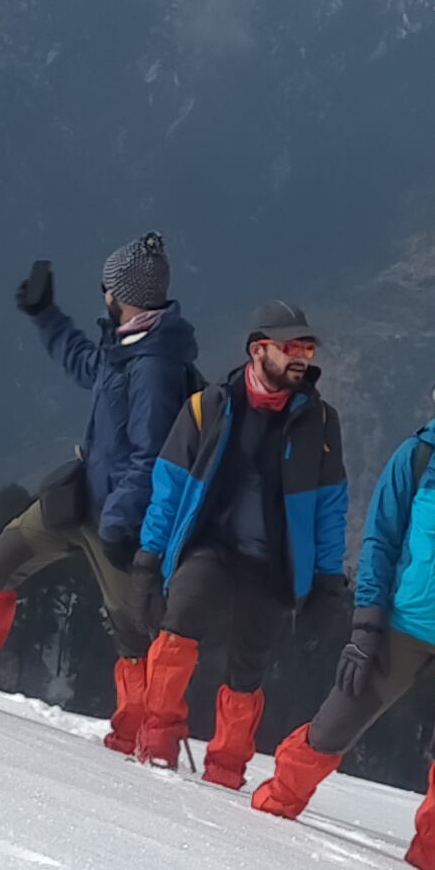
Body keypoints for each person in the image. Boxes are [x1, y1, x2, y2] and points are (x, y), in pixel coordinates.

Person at [250, 342, 435, 870]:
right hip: (401, 625)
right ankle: (271, 808)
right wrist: (366, 624)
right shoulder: (419, 456)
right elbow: (380, 541)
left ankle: (432, 863)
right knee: (335, 722)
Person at [0, 234, 196, 734]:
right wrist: (46, 315)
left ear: (118, 294)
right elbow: (85, 364)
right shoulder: (128, 348)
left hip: (118, 524)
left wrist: (118, 525)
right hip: (80, 500)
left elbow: (151, 458)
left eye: (106, 287)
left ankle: (138, 735)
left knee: (134, 633)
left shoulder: (154, 367)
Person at [125, 300, 352, 782]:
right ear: (257, 350)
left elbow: (330, 511)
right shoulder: (209, 406)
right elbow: (168, 489)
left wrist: (328, 588)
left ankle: (227, 767)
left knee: (249, 668)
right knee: (177, 626)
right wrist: (148, 562)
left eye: (307, 347)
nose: (303, 358)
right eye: (290, 347)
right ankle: (157, 736)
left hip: (272, 562)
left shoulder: (322, 423)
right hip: (212, 546)